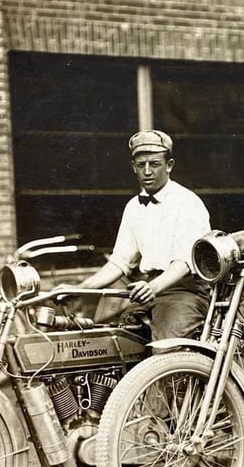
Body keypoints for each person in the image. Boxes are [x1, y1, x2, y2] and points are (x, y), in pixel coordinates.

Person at [76, 129, 212, 342]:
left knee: (166, 350)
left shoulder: (188, 203)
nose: (147, 171)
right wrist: (80, 288)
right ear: (134, 167)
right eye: (141, 165)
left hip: (186, 291)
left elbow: (184, 262)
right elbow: (120, 262)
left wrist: (152, 287)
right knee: (114, 343)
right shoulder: (133, 207)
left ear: (169, 166)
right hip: (147, 289)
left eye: (155, 164)